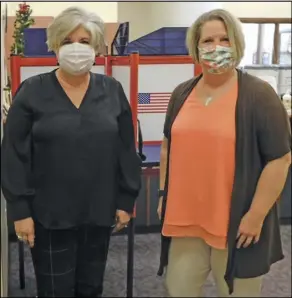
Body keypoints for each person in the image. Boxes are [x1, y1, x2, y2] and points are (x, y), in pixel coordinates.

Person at [1, 6, 141, 298]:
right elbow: (14, 154)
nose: (76, 49)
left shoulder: (112, 90)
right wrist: (19, 211)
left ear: (97, 47)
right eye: (67, 41)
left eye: (84, 41)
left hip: (99, 212)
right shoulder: (32, 91)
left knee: (91, 287)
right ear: (54, 46)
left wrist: (126, 200)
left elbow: (127, 150)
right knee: (55, 290)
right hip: (49, 216)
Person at [157, 8, 291, 298]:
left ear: (237, 45)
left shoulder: (258, 95)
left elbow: (280, 159)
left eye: (224, 39)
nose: (216, 47)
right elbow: (169, 144)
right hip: (186, 220)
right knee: (179, 290)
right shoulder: (182, 93)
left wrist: (255, 216)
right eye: (207, 40)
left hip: (237, 225)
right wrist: (162, 193)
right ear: (196, 46)